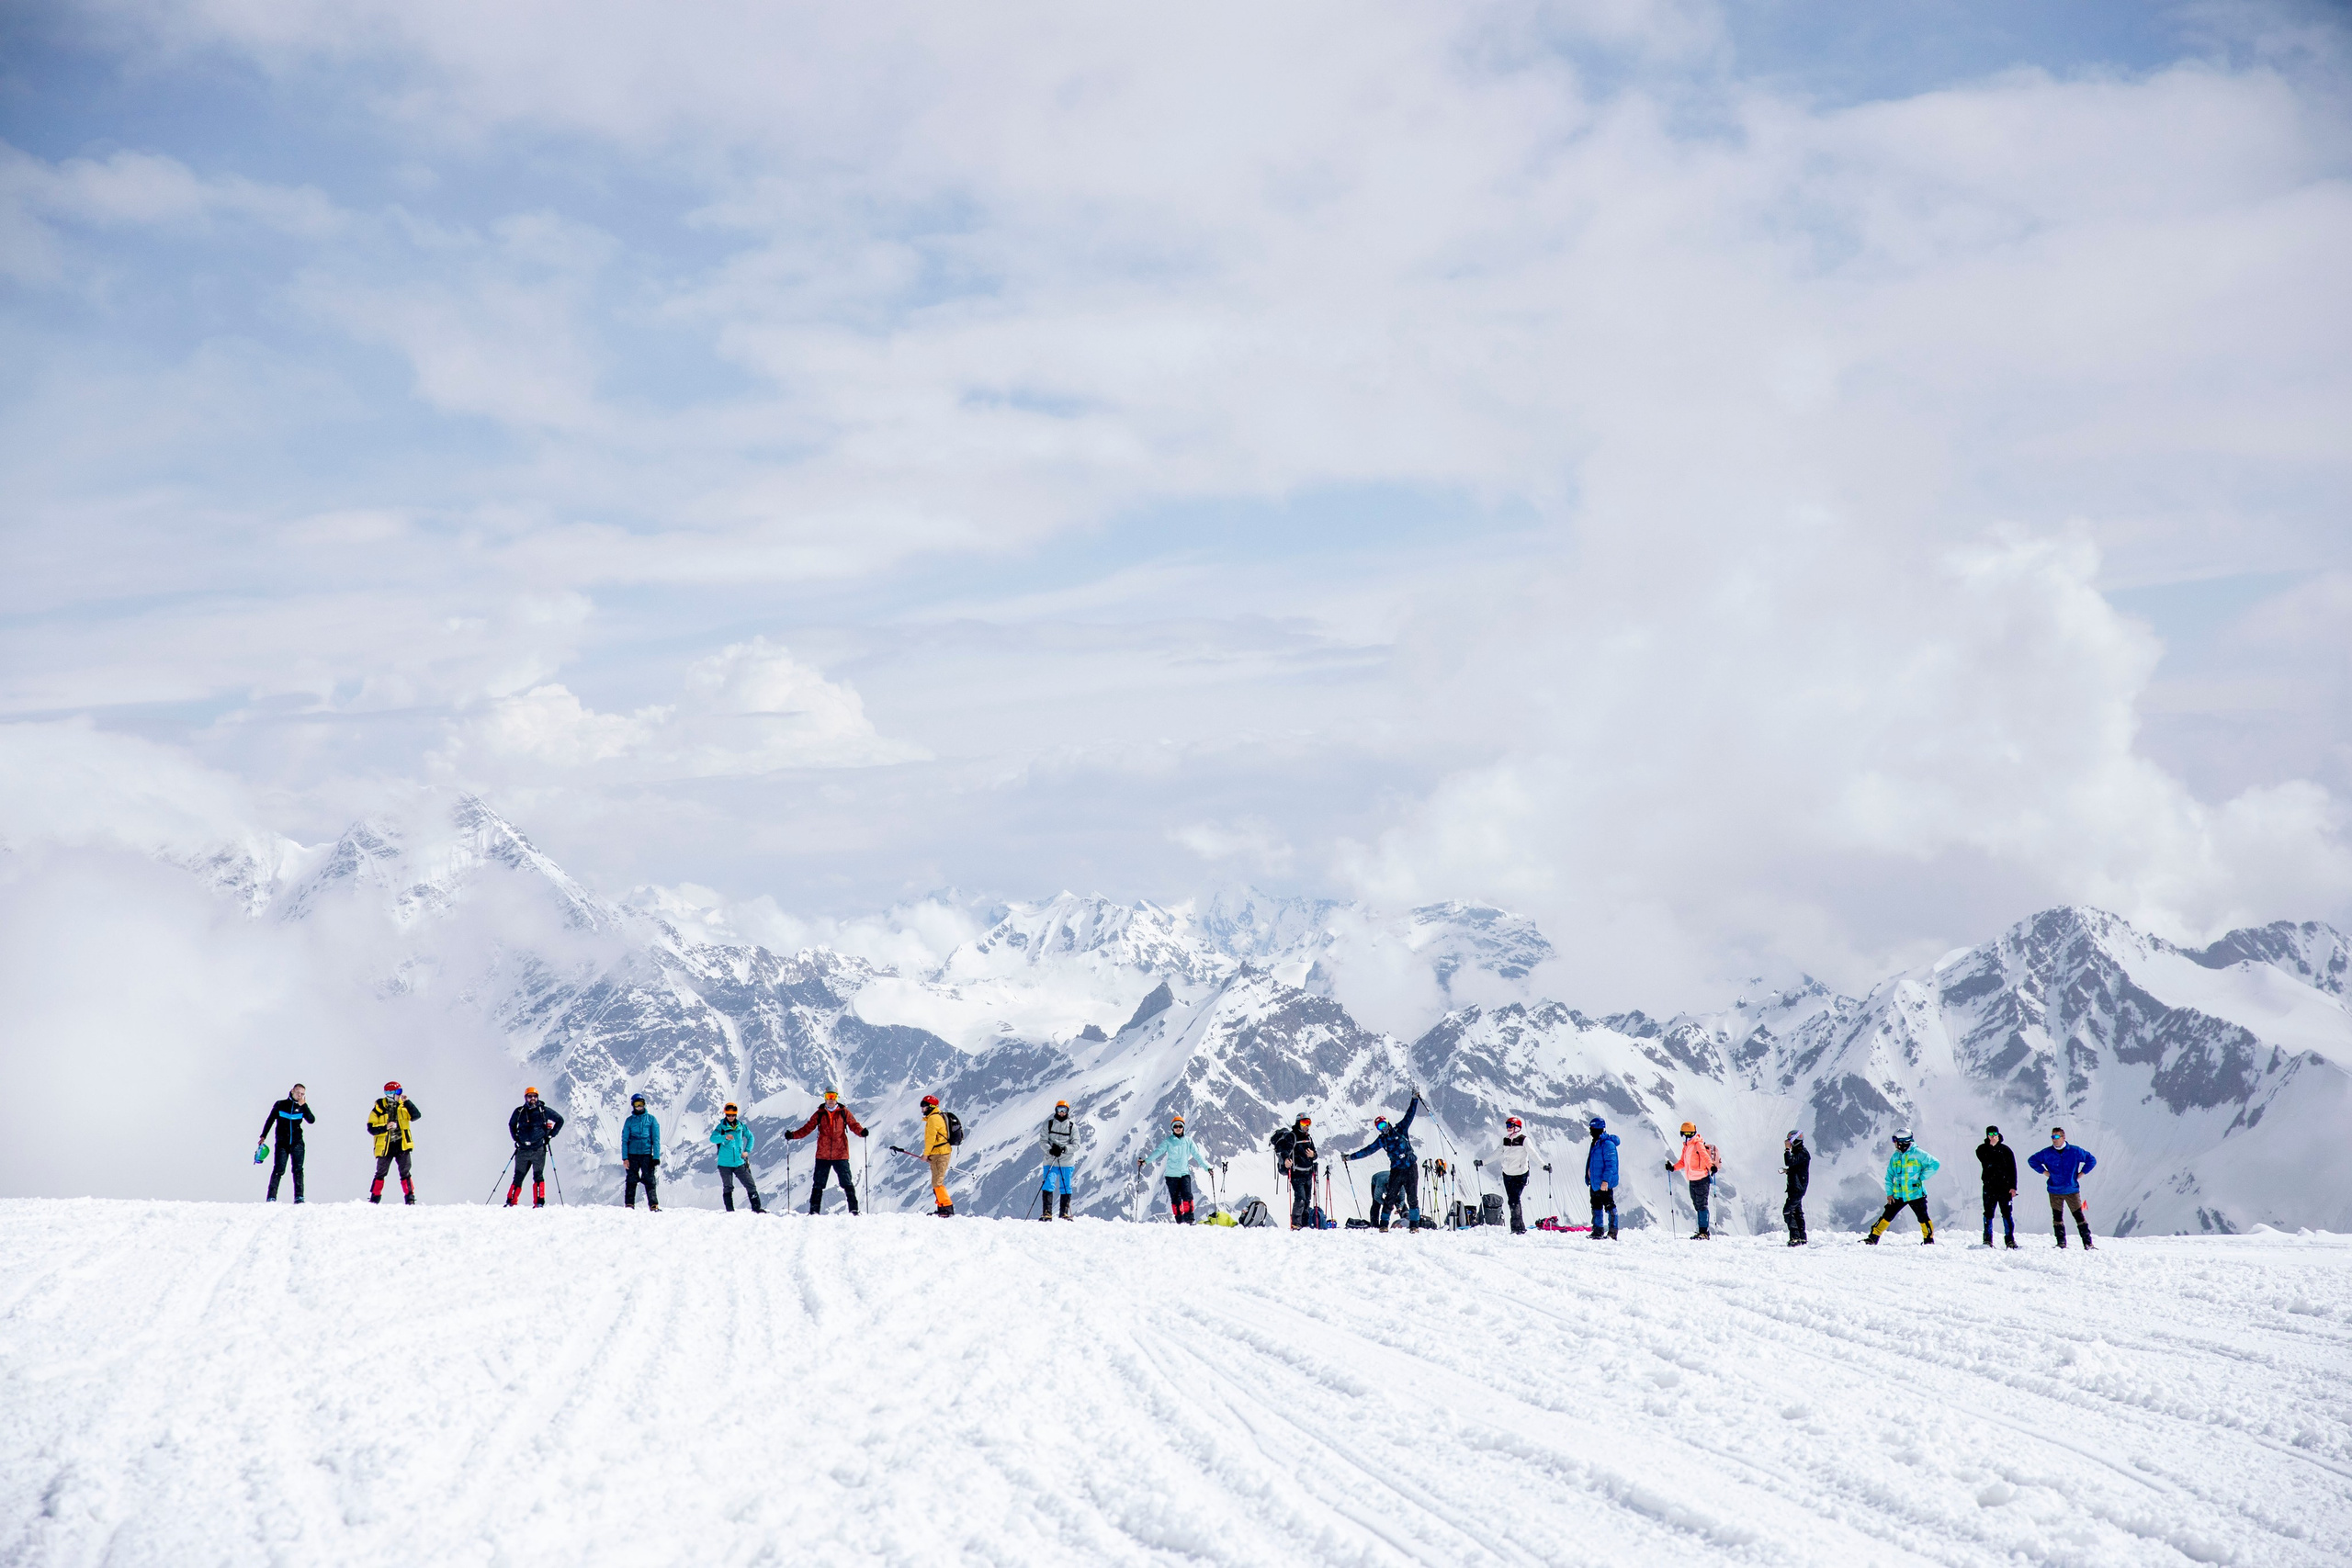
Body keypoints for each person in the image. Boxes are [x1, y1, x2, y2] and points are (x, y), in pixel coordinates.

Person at [1343, 1094, 1423, 1231]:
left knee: (1412, 1198)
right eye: (1380, 1127)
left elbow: (1410, 1114)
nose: (1383, 1128)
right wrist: (1350, 1157)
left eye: (1384, 1124)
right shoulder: (1382, 1140)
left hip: (1410, 1167)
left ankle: (1414, 1226)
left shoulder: (1401, 1129)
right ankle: (1384, 1225)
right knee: (1390, 1197)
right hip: (1397, 1169)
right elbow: (1368, 1150)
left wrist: (1415, 1098)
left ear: (1388, 1123)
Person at [787, 1089, 868, 1214]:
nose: (831, 1099)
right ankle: (814, 1211)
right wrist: (793, 1135)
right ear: (825, 1098)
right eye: (828, 1096)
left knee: (846, 1183)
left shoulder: (843, 1113)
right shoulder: (820, 1114)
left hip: (840, 1154)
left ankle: (854, 1210)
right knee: (818, 1184)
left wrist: (861, 1132)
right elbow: (807, 1128)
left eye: (833, 1096)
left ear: (837, 1098)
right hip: (823, 1155)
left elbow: (853, 1125)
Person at [2027, 1127, 2098, 1249]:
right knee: (2057, 1218)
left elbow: (2091, 1160)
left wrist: (2082, 1173)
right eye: (2052, 1137)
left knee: (2079, 1216)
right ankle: (2061, 1243)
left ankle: (2088, 1243)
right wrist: (2044, 1172)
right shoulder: (2047, 1153)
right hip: (2055, 1190)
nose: (2054, 1140)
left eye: (2057, 1137)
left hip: (2072, 1190)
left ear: (2064, 1138)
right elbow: (2032, 1160)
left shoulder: (2074, 1151)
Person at [1139, 1113, 1216, 1224]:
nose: (1178, 1128)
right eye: (1176, 1126)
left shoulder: (1188, 1141)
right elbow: (1158, 1152)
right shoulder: (1168, 1141)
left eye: (1180, 1126)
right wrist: (1146, 1161)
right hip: (1171, 1176)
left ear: (1183, 1128)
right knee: (1176, 1199)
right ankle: (1179, 1220)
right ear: (1172, 1128)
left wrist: (1207, 1168)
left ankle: (1189, 1218)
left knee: (1188, 1196)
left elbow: (1197, 1156)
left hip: (1184, 1174)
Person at [1866, 1129, 1939, 1244]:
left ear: (1902, 1142)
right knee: (1887, 1215)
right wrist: (1889, 1193)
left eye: (1895, 1140)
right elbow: (1889, 1176)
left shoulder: (1918, 1153)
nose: (1894, 1143)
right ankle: (1873, 1238)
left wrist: (1921, 1177)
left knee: (1923, 1217)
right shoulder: (1895, 1156)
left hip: (1916, 1193)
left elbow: (1935, 1163)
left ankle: (1928, 1240)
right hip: (1898, 1194)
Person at [505, 1087, 565, 1208]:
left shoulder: (543, 1110)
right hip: (524, 1149)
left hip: (537, 1149)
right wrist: (516, 1138)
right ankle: (511, 1202)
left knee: (537, 1176)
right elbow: (511, 1124)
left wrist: (551, 1135)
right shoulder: (519, 1111)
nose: (532, 1098)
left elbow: (560, 1120)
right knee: (519, 1176)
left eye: (534, 1096)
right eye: (530, 1096)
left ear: (537, 1097)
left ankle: (538, 1203)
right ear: (526, 1098)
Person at [257, 1084, 314, 1202]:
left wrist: (304, 1106)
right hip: (282, 1143)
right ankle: (271, 1197)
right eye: (298, 1093)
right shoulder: (281, 1104)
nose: (300, 1095)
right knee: (279, 1168)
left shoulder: (302, 1107)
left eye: (302, 1094)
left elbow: (311, 1120)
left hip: (297, 1143)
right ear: (292, 1091)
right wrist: (263, 1136)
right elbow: (270, 1120)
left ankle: (299, 1197)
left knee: (298, 1169)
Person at [367, 1081, 422, 1205]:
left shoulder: (403, 1106)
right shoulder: (378, 1109)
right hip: (385, 1147)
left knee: (405, 1172)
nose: (399, 1094)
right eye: (397, 1092)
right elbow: (371, 1128)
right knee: (381, 1172)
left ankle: (410, 1198)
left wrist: (408, 1102)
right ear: (390, 1093)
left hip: (402, 1145)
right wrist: (385, 1127)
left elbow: (416, 1116)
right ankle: (374, 1198)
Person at [1665, 1121, 1718, 1238]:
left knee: (1702, 1205)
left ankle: (1704, 1232)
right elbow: (1683, 1162)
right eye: (1686, 1133)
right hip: (1692, 1180)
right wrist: (1673, 1168)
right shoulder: (1687, 1147)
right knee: (1697, 1205)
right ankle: (1702, 1231)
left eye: (1690, 1133)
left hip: (1702, 1179)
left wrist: (1711, 1167)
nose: (1688, 1136)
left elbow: (1705, 1157)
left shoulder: (1697, 1144)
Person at [710, 1103, 763, 1213]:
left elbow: (750, 1137)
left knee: (750, 1184)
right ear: (726, 1114)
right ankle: (730, 1211)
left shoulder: (741, 1126)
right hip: (725, 1164)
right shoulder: (721, 1128)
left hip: (739, 1162)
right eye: (729, 1114)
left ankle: (757, 1208)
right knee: (728, 1187)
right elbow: (713, 1138)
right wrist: (724, 1137)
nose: (731, 1117)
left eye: (733, 1115)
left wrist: (747, 1151)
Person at [1272, 1113, 1319, 1230]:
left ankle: (1304, 1223)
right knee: (1300, 1198)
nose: (1306, 1126)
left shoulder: (1308, 1137)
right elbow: (1284, 1151)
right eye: (1304, 1123)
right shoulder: (1292, 1137)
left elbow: (1315, 1153)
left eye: (1308, 1123)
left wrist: (1313, 1155)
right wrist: (1286, 1160)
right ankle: (1296, 1223)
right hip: (1297, 1174)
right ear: (1298, 1123)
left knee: (1307, 1199)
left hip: (1308, 1173)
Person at [1976, 1125, 2019, 1248]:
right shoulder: (1982, 1149)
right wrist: (1991, 1147)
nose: (1993, 1136)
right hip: (1989, 1187)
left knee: (2006, 1213)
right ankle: (1987, 1239)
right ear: (1987, 1135)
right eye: (1990, 1134)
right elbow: (1985, 1159)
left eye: (1995, 1133)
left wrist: (2013, 1187)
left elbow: (2012, 1169)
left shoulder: (2006, 1150)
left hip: (2004, 1188)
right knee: (1988, 1213)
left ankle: (2010, 1239)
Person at [1039, 1099, 1078, 1221]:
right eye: (1059, 1110)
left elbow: (1076, 1145)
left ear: (1067, 1111)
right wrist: (1050, 1150)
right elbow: (1043, 1141)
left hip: (1066, 1162)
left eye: (1064, 1110)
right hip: (1051, 1160)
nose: (1062, 1113)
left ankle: (1064, 1213)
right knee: (1048, 1184)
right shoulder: (1049, 1124)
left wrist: (1064, 1149)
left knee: (1066, 1187)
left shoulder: (1072, 1127)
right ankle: (1047, 1213)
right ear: (1056, 1110)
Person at [622, 1093, 662, 1211]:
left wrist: (656, 1156)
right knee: (631, 1180)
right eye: (637, 1104)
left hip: (646, 1154)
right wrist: (625, 1158)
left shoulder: (651, 1120)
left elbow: (656, 1139)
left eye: (641, 1104)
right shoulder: (629, 1121)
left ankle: (654, 1205)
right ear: (633, 1106)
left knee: (650, 1180)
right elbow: (624, 1140)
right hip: (632, 1155)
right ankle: (629, 1205)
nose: (639, 1107)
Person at [1495, 1116, 1533, 1235]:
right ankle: (1520, 1227)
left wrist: (1543, 1166)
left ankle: (1516, 1228)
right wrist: (1482, 1162)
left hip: (1520, 1174)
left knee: (1514, 1200)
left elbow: (1533, 1153)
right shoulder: (1505, 1140)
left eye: (1510, 1126)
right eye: (1507, 1126)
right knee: (1513, 1200)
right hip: (1508, 1174)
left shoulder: (1524, 1140)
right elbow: (1497, 1153)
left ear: (1517, 1127)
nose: (1508, 1128)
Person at [1583, 1115, 1620, 1239]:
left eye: (1592, 1128)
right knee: (1596, 1205)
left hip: (1604, 1183)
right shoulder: (1596, 1143)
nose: (1591, 1131)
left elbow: (1611, 1165)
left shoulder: (1608, 1144)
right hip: (1595, 1181)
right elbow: (1592, 1162)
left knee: (1609, 1206)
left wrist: (1605, 1181)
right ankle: (1597, 1230)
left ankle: (1612, 1232)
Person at [921, 1094, 956, 1216]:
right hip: (939, 1153)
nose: (922, 1109)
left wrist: (925, 1155)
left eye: (924, 1106)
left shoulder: (933, 1119)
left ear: (930, 1107)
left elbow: (931, 1139)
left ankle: (946, 1208)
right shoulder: (935, 1117)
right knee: (936, 1181)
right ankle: (942, 1208)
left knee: (937, 1182)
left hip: (940, 1154)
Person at [1782, 1130, 1810, 1247]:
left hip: (1797, 1188)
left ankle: (1795, 1237)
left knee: (1788, 1211)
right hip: (1796, 1186)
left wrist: (1787, 1150)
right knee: (1797, 1211)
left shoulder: (1802, 1153)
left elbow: (1789, 1161)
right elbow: (1796, 1167)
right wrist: (1789, 1172)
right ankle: (1801, 1237)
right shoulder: (1801, 1153)